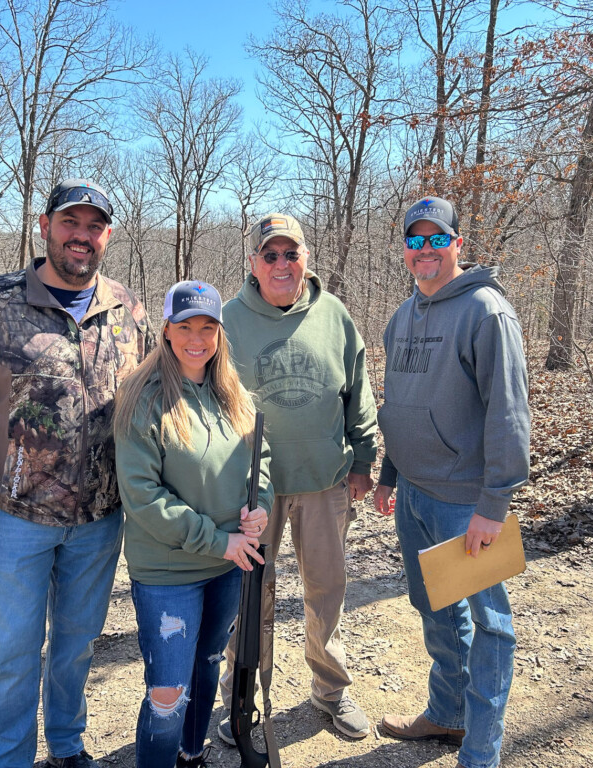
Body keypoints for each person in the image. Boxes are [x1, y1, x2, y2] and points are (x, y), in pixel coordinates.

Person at [0, 178, 154, 768]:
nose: (81, 236)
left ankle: (66, 745)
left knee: (76, 646)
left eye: (94, 226)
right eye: (69, 222)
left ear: (108, 235)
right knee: (12, 653)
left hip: (101, 519)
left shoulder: (127, 309)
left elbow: (153, 404)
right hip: (17, 518)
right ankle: (10, 758)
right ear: (44, 226)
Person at [373, 196, 530, 768]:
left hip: (467, 502)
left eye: (437, 238)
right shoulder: (402, 315)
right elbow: (399, 402)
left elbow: (508, 413)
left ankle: (480, 752)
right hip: (415, 496)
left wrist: (494, 503)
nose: (426, 250)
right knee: (435, 607)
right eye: (415, 241)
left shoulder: (487, 312)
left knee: (490, 625)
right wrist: (390, 473)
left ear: (457, 243)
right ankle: (448, 713)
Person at [217, 213, 379, 741]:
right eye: (270, 255)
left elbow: (358, 392)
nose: (282, 264)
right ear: (254, 263)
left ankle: (330, 690)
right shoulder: (226, 320)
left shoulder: (334, 314)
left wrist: (362, 460)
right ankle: (240, 694)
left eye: (291, 253)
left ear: (306, 258)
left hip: (325, 480)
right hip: (250, 487)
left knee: (326, 589)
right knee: (250, 594)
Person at [113, 280, 272, 768]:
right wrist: (218, 541)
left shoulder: (232, 393)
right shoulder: (143, 398)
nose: (196, 338)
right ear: (166, 330)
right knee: (168, 693)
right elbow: (143, 497)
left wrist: (261, 505)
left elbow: (261, 460)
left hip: (228, 565)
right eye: (185, 327)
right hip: (170, 572)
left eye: (207, 327)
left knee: (207, 665)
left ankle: (192, 754)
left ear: (220, 332)